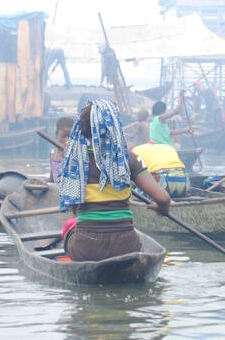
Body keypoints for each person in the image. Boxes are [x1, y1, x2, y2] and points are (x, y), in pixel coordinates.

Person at [57, 99, 172, 262]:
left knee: (68, 231)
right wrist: (162, 209)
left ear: (82, 129)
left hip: (86, 249)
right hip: (126, 247)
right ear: (114, 126)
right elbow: (163, 198)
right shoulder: (129, 159)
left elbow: (74, 208)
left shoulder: (74, 161)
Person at [48, 115, 76, 182]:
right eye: (63, 136)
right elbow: (51, 178)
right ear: (57, 134)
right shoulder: (52, 152)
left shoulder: (75, 153)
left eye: (70, 137)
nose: (67, 140)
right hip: (56, 189)